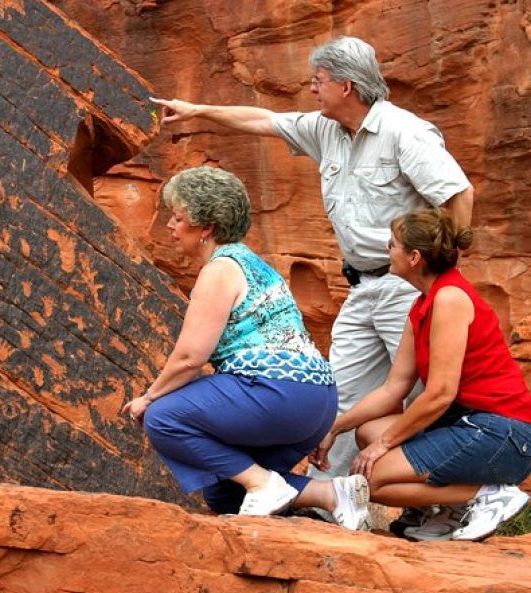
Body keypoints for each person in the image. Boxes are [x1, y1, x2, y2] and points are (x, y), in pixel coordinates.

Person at [150, 37, 475, 497]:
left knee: (429, 396)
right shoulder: (326, 130)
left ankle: (453, 500)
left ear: (346, 85)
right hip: (361, 287)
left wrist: (444, 275)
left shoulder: (405, 133)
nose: (311, 89)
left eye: (318, 81)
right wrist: (199, 111)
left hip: (410, 285)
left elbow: (459, 195)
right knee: (337, 397)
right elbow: (264, 120)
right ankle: (332, 501)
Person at [121, 165, 369, 530]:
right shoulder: (254, 263)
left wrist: (150, 397)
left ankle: (262, 483)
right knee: (224, 493)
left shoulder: (220, 269)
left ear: (206, 227)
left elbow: (191, 357)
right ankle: (331, 494)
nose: (171, 227)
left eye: (178, 218)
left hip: (279, 395)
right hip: (317, 403)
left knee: (163, 417)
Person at [310, 208, 531, 541]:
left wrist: (385, 444)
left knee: (373, 478)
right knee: (367, 433)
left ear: (413, 257)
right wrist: (335, 428)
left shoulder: (450, 298)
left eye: (392, 244)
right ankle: (447, 512)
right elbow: (393, 389)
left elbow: (440, 393)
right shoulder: (422, 304)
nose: (387, 250)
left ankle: (487, 494)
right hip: (470, 425)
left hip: (504, 434)